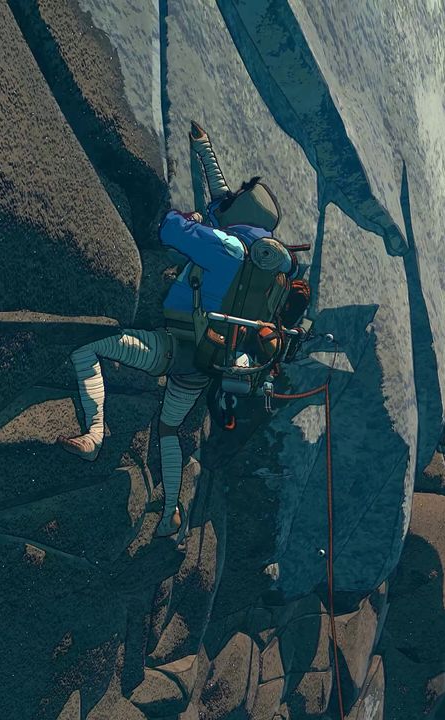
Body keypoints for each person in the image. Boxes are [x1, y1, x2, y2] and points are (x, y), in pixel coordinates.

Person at [57, 125, 290, 538]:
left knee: (88, 348)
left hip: (172, 346)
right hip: (209, 361)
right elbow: (223, 200)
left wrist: (194, 219)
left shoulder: (227, 248)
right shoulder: (267, 271)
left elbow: (169, 227)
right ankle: (171, 513)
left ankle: (94, 435)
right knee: (168, 428)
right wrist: (205, 150)